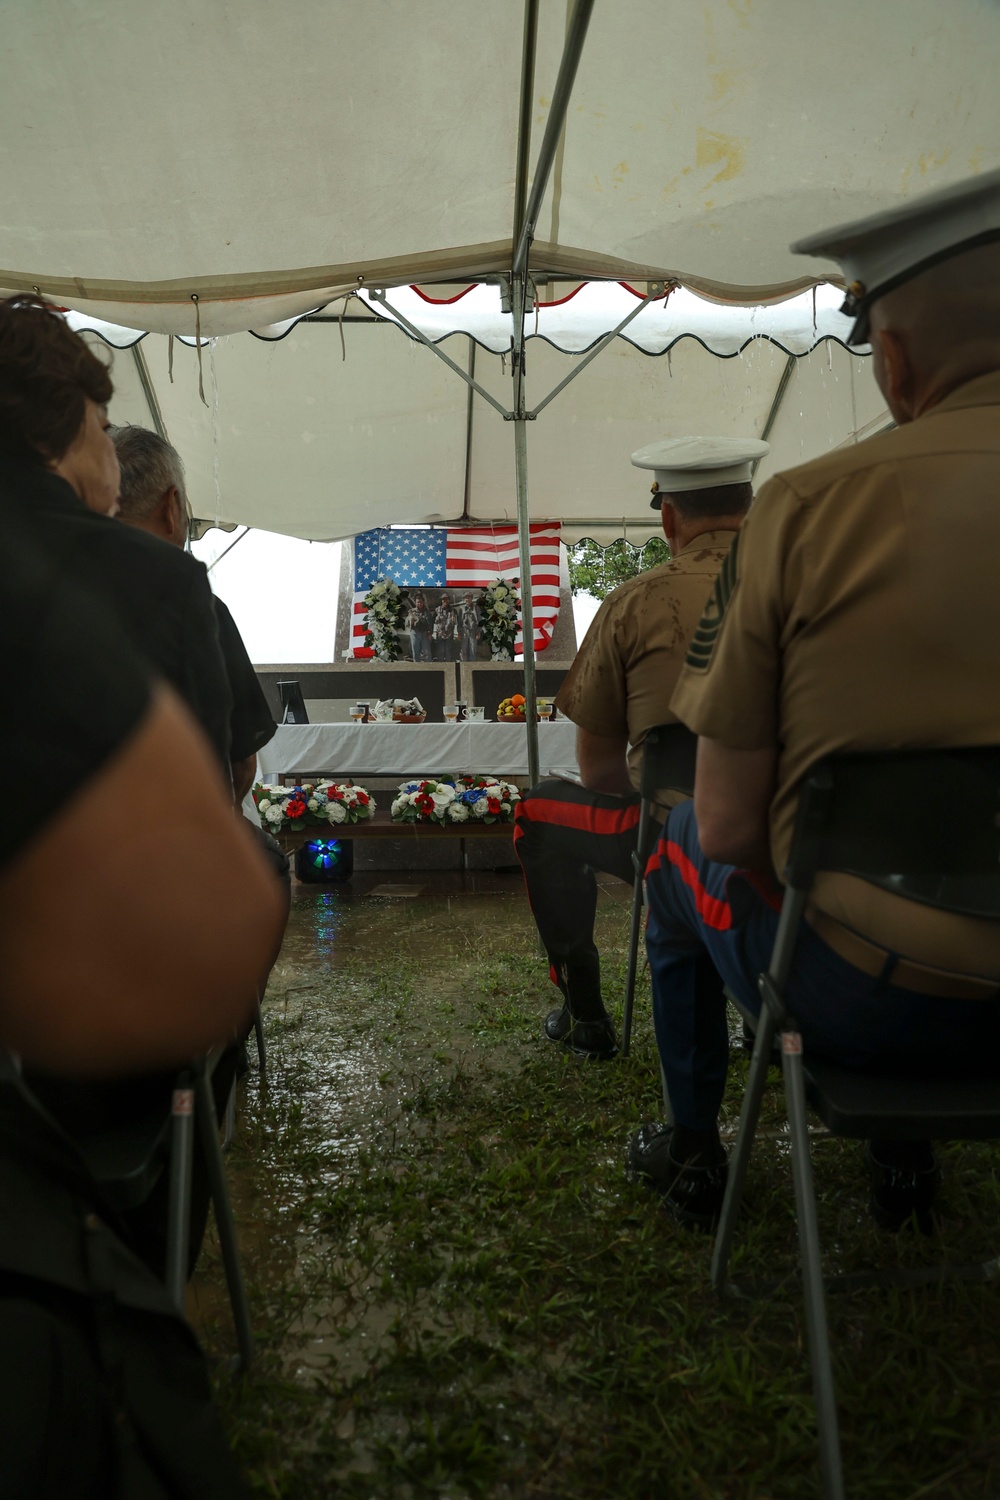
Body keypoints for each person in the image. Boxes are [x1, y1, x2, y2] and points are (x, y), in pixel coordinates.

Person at [630, 167, 1000, 1233]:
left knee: (676, 849)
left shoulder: (805, 509)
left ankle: (692, 1144)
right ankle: (903, 1163)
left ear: (892, 358)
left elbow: (737, 825)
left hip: (872, 1001)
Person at [513, 438, 767, 1059]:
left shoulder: (634, 601)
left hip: (672, 832)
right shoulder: (821, 587)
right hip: (810, 826)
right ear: (753, 508)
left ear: (669, 516)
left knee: (538, 814)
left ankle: (586, 1012)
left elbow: (598, 770)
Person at [110, 423, 277, 804]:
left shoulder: (53, 607)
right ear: (171, 508)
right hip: (182, 838)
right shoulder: (201, 611)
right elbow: (241, 764)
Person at [407, 592, 433, 661]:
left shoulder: (427, 612)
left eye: (421, 602)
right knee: (416, 652)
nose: (419, 604)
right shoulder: (412, 612)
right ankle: (417, 669)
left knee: (427, 653)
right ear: (415, 603)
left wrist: (430, 633)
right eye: (418, 602)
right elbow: (406, 623)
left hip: (425, 634)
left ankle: (429, 669)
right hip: (415, 633)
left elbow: (431, 623)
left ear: (423, 602)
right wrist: (411, 621)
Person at [432, 589, 457, 661]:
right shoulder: (437, 610)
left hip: (449, 635)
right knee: (440, 651)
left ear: (449, 600)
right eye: (443, 599)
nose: (445, 601)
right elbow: (433, 621)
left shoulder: (453, 610)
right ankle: (441, 668)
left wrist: (454, 620)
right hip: (440, 635)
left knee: (448, 651)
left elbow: (456, 622)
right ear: (441, 601)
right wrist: (436, 619)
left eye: (446, 599)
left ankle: (449, 668)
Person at [458, 591, 482, 661]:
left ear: (471, 599)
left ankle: (471, 667)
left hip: (473, 632)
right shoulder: (461, 609)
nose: (467, 599)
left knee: (473, 650)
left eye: (469, 598)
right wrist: (459, 632)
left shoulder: (476, 608)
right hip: (464, 632)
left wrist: (478, 632)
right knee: (463, 650)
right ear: (464, 599)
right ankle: (463, 666)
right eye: (466, 598)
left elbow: (480, 621)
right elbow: (459, 622)